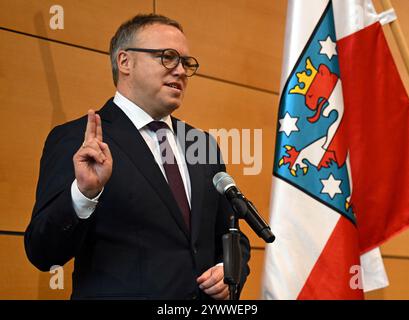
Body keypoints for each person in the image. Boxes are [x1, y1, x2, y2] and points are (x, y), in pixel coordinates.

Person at [24, 13, 250, 300]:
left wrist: (229, 270)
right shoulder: (79, 140)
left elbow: (231, 235)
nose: (180, 70)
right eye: (167, 57)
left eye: (186, 62)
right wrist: (83, 195)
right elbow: (43, 252)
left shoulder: (201, 143)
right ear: (125, 62)